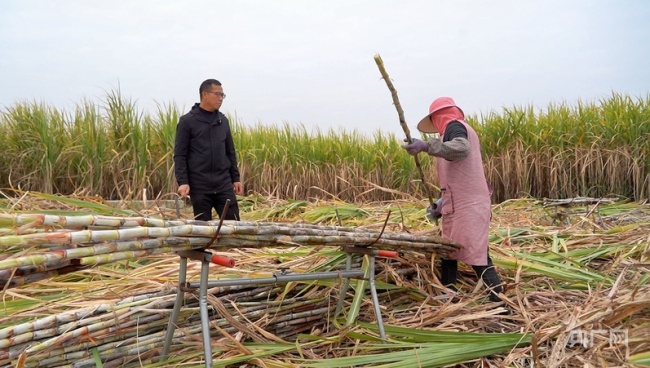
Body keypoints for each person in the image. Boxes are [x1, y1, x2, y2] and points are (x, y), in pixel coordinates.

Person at [401, 97, 504, 303]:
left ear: (439, 116)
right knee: (448, 251)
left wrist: (426, 146)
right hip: (460, 204)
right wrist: (441, 204)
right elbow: (459, 174)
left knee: (476, 253)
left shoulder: (454, 127)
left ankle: (500, 302)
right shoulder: (454, 129)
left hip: (468, 205)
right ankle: (448, 296)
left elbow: (460, 149)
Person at [174, 79, 243, 221]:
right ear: (204, 94)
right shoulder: (188, 121)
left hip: (223, 183)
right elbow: (180, 154)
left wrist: (235, 178)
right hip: (199, 185)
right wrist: (183, 181)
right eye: (217, 94)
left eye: (222, 95)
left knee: (234, 225)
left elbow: (230, 151)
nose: (220, 98)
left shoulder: (222, 121)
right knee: (202, 230)